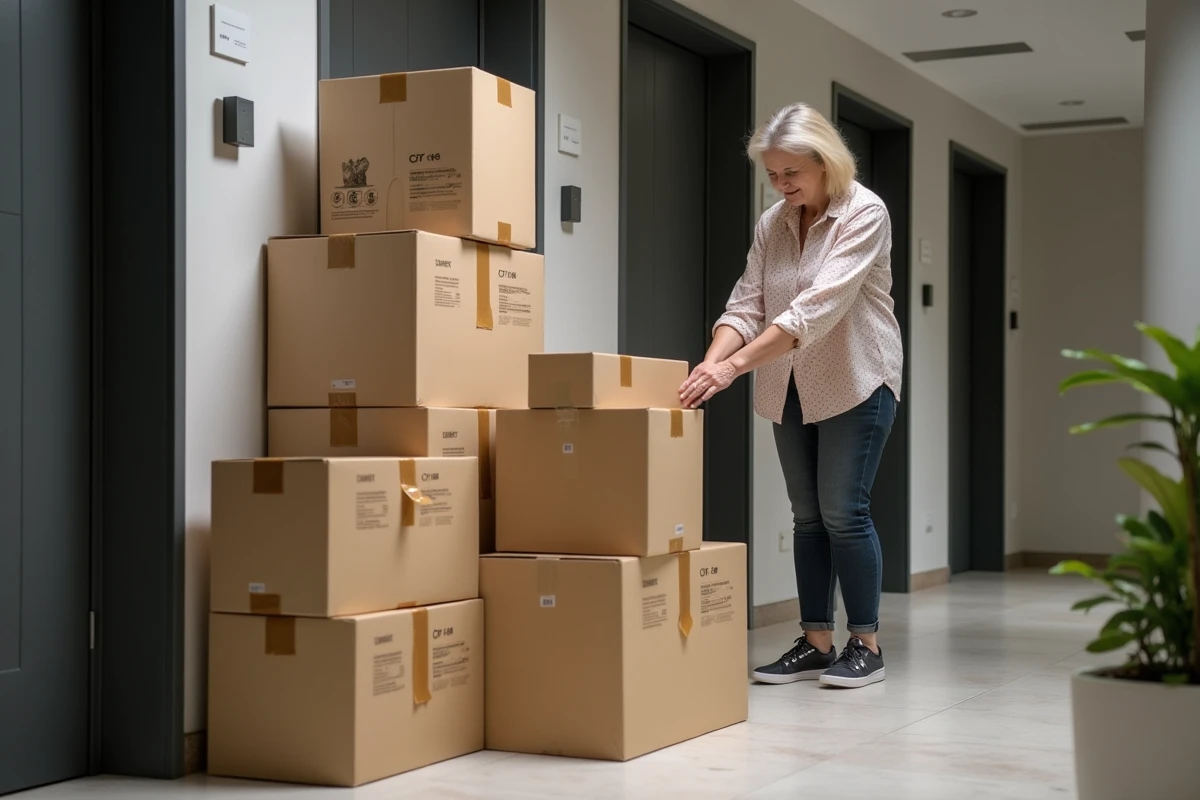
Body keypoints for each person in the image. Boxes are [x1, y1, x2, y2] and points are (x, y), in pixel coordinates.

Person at [678, 102, 903, 689]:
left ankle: (866, 644)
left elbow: (816, 309)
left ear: (825, 162)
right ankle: (816, 640)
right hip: (790, 383)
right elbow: (746, 302)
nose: (781, 186)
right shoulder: (774, 221)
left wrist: (733, 369)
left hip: (857, 378)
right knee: (807, 519)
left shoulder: (865, 212)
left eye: (791, 174)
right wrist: (711, 363)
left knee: (844, 514)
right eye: (772, 175)